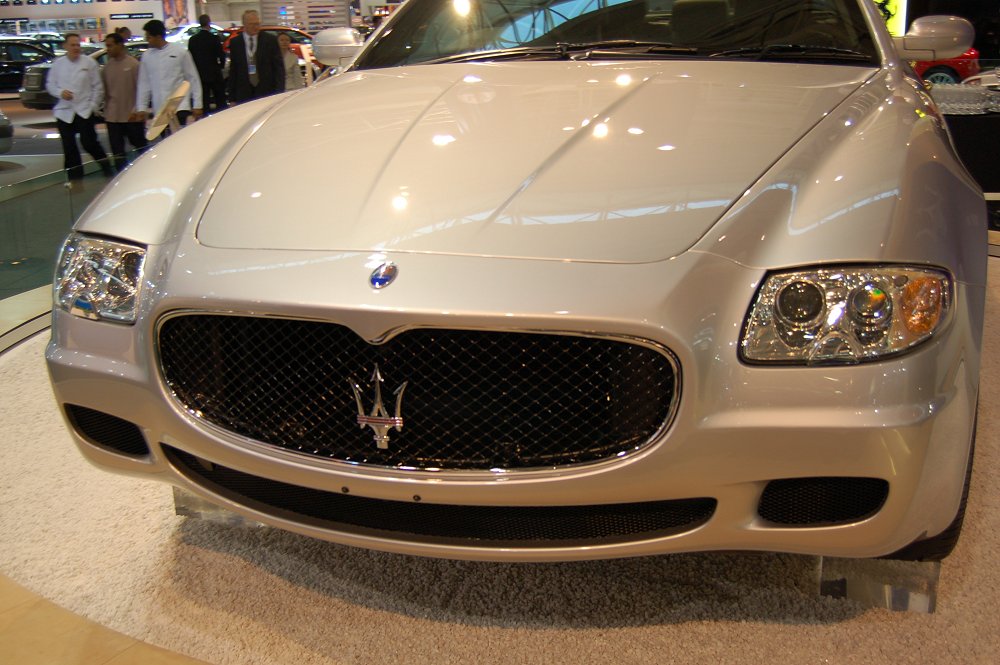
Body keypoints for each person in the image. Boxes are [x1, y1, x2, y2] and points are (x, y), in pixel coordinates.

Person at [45, 32, 113, 183]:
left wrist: (93, 106)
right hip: (64, 111)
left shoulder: (89, 63)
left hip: (84, 110)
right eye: (73, 45)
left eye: (78, 45)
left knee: (89, 142)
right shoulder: (58, 64)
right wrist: (60, 93)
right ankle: (75, 179)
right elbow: (50, 85)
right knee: (69, 147)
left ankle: (106, 167)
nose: (76, 48)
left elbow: (98, 87)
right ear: (65, 46)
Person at [135, 19, 203, 131]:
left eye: (149, 37)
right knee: (165, 141)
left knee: (180, 139)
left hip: (180, 107)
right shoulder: (146, 56)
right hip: (159, 109)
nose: (147, 40)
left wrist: (197, 104)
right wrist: (141, 107)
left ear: (158, 36)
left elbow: (193, 78)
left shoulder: (180, 52)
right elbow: (144, 83)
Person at [101, 32, 148, 172]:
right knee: (117, 152)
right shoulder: (106, 68)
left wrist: (138, 110)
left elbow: (141, 89)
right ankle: (120, 176)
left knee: (140, 146)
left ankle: (146, 171)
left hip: (131, 116)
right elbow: (105, 92)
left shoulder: (134, 65)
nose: (107, 49)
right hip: (113, 117)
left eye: (110, 46)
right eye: (106, 46)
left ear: (120, 45)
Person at [227, 10, 284, 104]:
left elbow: (278, 69)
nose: (256, 27)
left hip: (267, 91)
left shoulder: (270, 40)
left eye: (257, 24)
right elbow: (233, 71)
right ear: (244, 24)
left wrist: (279, 93)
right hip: (244, 93)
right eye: (252, 24)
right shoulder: (235, 43)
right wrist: (232, 98)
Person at [187, 14, 227, 113]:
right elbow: (221, 55)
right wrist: (220, 66)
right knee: (220, 99)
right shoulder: (214, 38)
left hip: (200, 73)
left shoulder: (193, 40)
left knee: (204, 99)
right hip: (214, 72)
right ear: (209, 23)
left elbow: (190, 57)